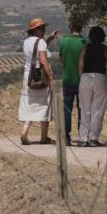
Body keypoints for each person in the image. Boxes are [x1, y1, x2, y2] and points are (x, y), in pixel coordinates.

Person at [19, 17, 59, 145]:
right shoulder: (40, 42)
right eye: (42, 28)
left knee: (30, 104)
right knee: (44, 105)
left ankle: (24, 131)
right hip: (40, 77)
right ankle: (44, 136)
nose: (43, 30)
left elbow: (37, 49)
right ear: (36, 30)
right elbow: (43, 61)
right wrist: (50, 79)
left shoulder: (26, 42)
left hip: (29, 77)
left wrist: (49, 39)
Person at [77, 25, 107, 147]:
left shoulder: (85, 48)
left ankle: (83, 138)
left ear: (90, 36)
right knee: (98, 109)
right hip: (100, 78)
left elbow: (80, 64)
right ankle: (93, 138)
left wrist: (81, 78)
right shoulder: (106, 49)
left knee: (84, 108)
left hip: (86, 77)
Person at [58, 21, 86, 146]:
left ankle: (66, 138)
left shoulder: (64, 41)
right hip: (82, 80)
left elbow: (61, 60)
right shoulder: (84, 42)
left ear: (72, 27)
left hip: (67, 79)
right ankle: (82, 137)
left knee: (67, 110)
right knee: (82, 109)